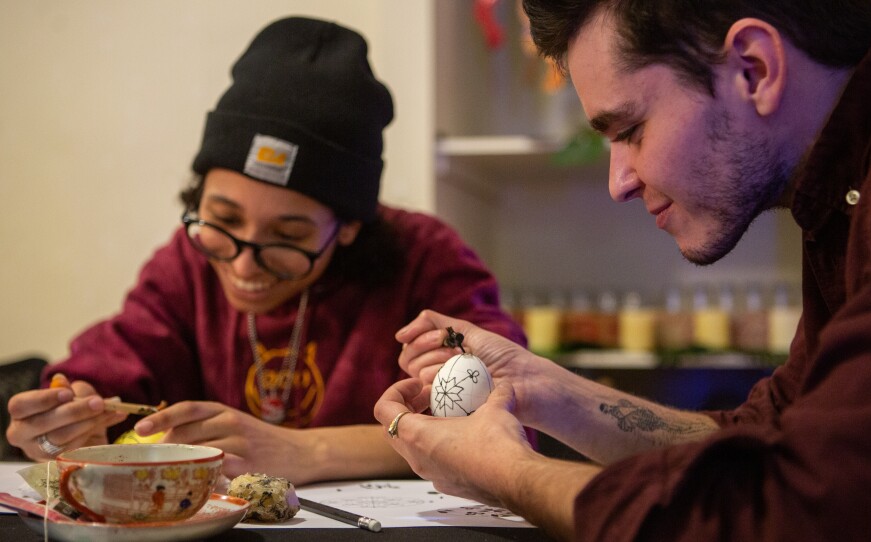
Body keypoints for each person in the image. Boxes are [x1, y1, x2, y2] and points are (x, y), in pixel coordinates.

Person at [374, 1, 871, 540]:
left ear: (755, 68)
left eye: (631, 130)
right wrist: (541, 387)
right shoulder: (841, 193)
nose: (619, 183)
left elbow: (792, 511)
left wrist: (504, 472)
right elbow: (773, 428)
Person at [5, 16, 525, 485]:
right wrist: (60, 428)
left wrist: (308, 451)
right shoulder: (191, 262)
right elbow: (106, 373)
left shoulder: (423, 259)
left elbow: (514, 408)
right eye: (224, 219)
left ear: (348, 227)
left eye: (289, 236)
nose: (242, 264)